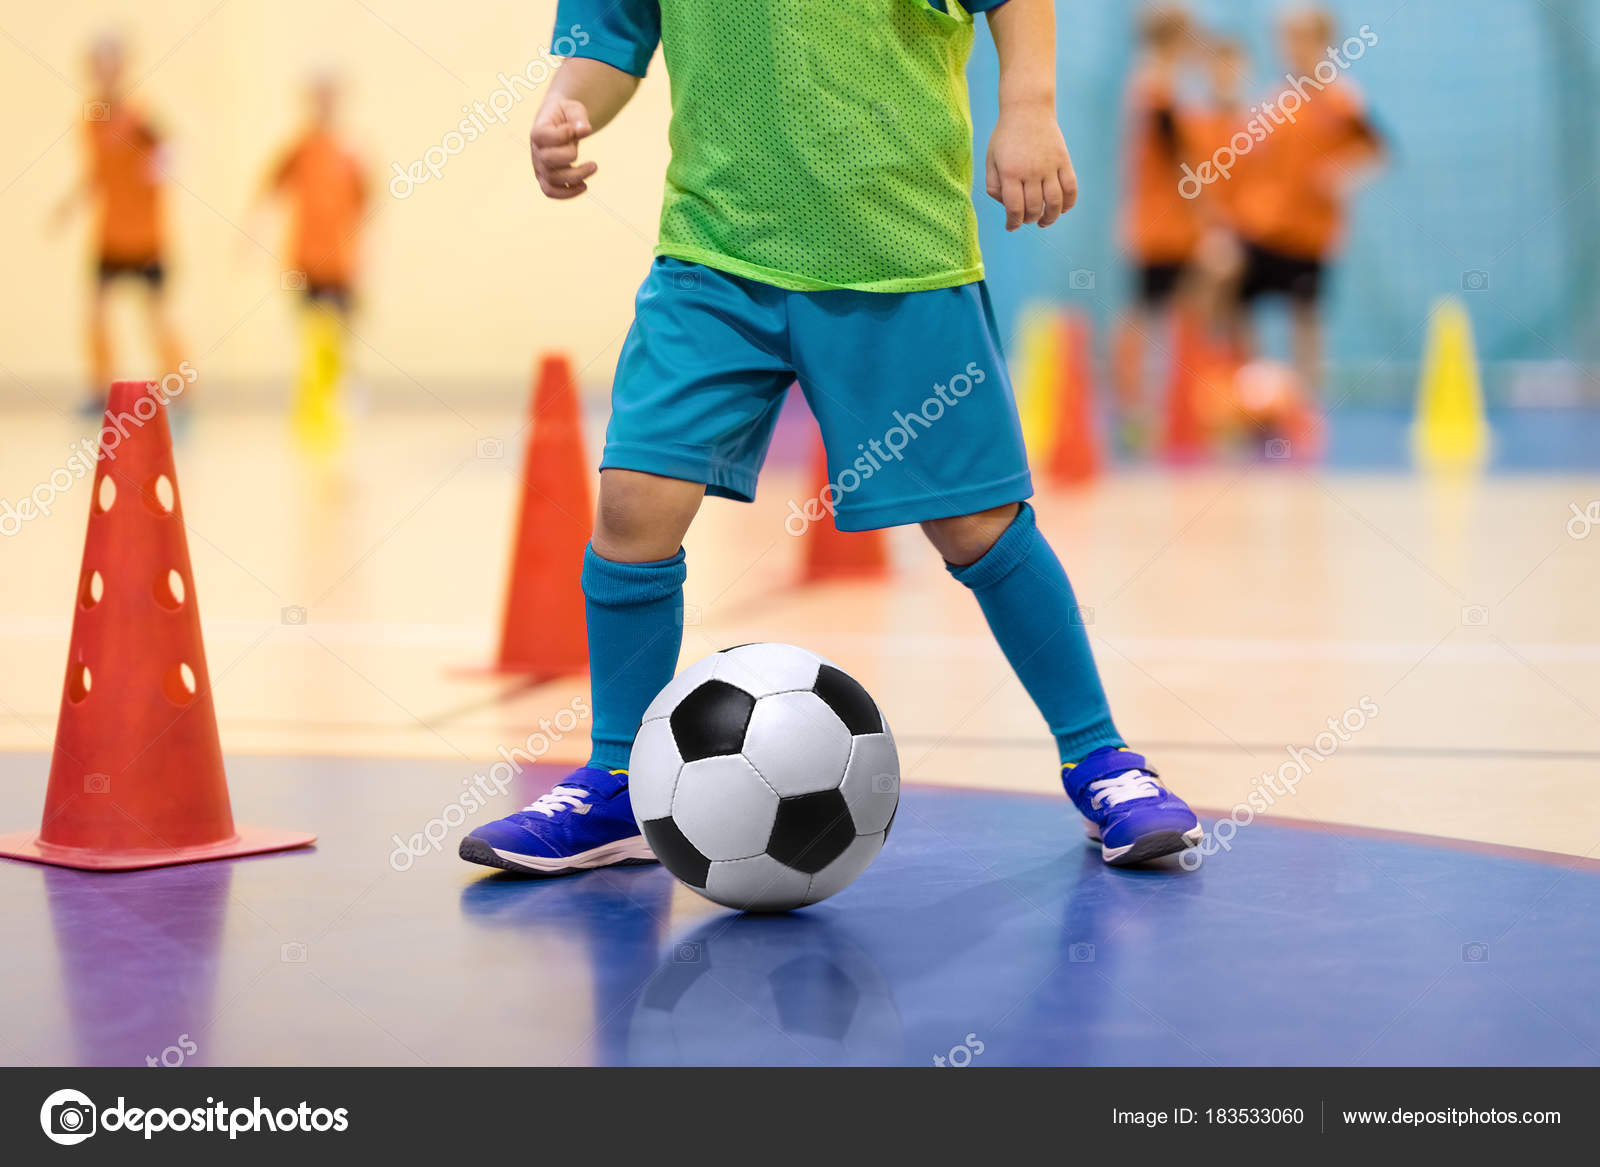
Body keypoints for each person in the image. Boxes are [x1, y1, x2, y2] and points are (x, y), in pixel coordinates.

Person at [461, 0, 1203, 877]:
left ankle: (1101, 758)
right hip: (713, 254)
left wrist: (1029, 107)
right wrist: (564, 104)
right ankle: (619, 776)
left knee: (979, 525)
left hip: (897, 247)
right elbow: (616, 32)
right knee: (633, 502)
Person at [1230, 5, 1385, 397]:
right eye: (1284, 40)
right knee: (1236, 300)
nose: (1289, 48)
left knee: (1305, 319)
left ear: (1323, 42)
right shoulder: (1274, 101)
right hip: (1263, 227)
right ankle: (1253, 391)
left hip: (1309, 234)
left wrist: (1343, 175)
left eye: (1299, 39)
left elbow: (1376, 151)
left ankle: (1307, 404)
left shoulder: (1341, 100)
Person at [50, 33, 185, 411]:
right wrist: (70, 204)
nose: (102, 71)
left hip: (146, 238)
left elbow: (172, 152)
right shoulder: (90, 119)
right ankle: (100, 388)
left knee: (156, 315)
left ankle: (178, 392)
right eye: (96, 63)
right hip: (109, 236)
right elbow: (98, 172)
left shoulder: (141, 116)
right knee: (95, 311)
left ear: (122, 66)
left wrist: (156, 168)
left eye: (108, 62)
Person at [250, 71, 369, 443]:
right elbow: (269, 189)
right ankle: (312, 399)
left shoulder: (351, 151)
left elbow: (366, 207)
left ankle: (340, 393)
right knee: (309, 331)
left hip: (341, 262)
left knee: (339, 333)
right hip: (304, 259)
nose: (323, 102)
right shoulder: (298, 148)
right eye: (317, 95)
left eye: (329, 94)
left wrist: (364, 257)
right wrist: (252, 235)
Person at [1110, 5, 1204, 452]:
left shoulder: (1156, 85)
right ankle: (1134, 410)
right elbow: (1181, 163)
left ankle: (1165, 410)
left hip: (1165, 224)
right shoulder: (1156, 88)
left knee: (1161, 316)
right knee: (1147, 316)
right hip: (1161, 226)